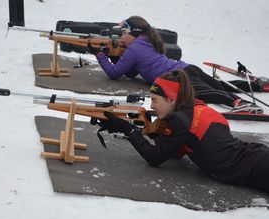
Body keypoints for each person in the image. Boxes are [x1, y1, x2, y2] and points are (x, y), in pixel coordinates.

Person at [98, 70, 269, 193]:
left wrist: (129, 129)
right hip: (255, 156)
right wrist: (149, 130)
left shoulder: (179, 120)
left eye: (155, 100)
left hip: (254, 167)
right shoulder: (194, 106)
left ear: (172, 100)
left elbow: (154, 157)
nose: (151, 106)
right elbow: (176, 150)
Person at [88, 15, 266, 114]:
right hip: (186, 68)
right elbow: (132, 72)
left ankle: (239, 102)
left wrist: (99, 54)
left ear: (133, 33)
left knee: (204, 93)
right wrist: (116, 57)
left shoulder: (134, 49)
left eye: (124, 32)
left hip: (177, 77)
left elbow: (114, 74)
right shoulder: (148, 40)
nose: (122, 36)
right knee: (218, 85)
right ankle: (258, 86)